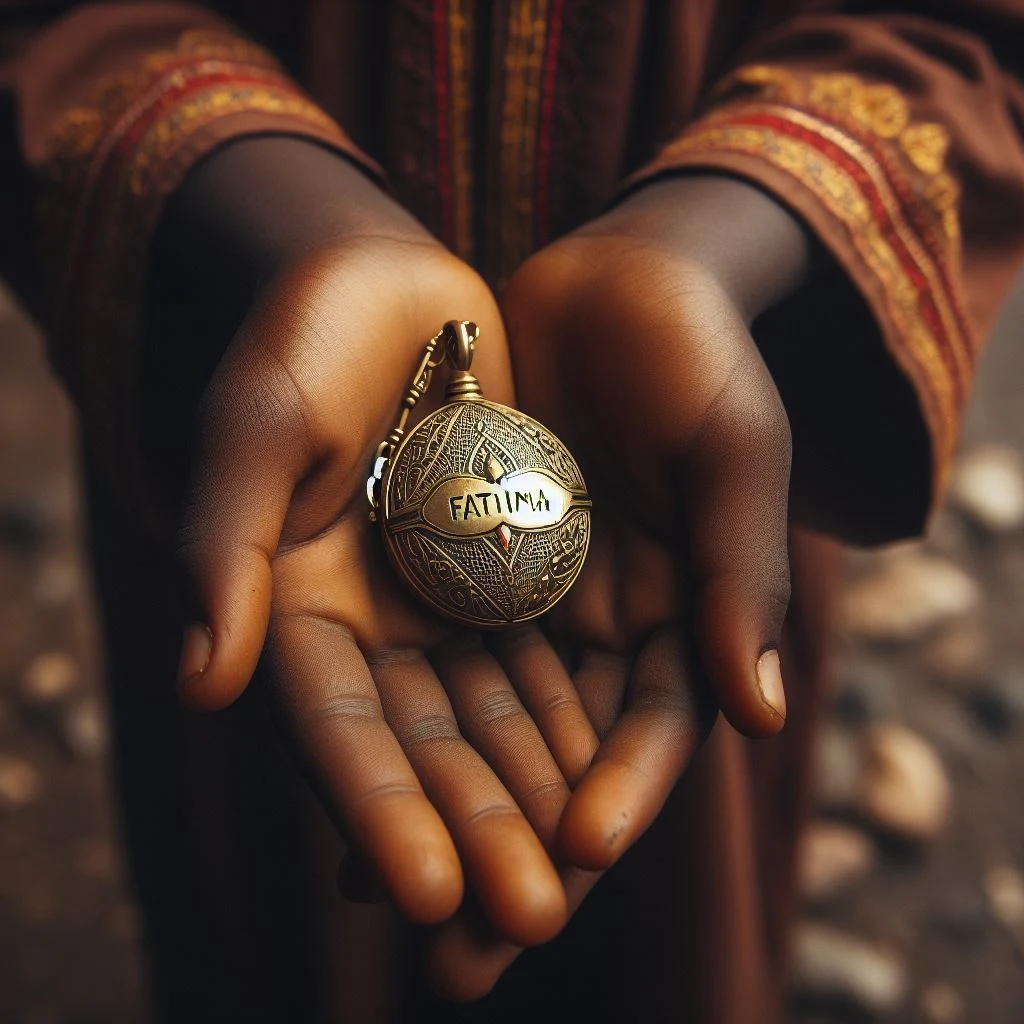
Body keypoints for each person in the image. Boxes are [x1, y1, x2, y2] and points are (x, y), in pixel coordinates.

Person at [2, 2, 1023, 1021]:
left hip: (662, 493)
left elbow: (969, 34)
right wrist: (295, 221)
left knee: (666, 912)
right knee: (273, 881)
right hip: (270, 445)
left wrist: (715, 237)